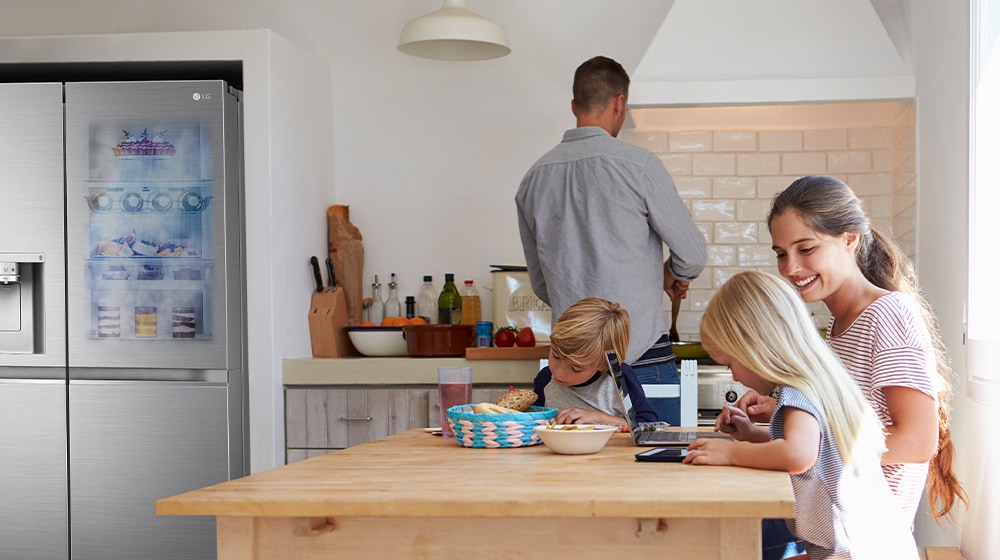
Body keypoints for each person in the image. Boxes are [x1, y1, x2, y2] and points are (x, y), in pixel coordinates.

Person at [734, 176, 967, 527]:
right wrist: (771, 429)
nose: (791, 268)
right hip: (833, 532)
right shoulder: (840, 327)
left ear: (849, 239)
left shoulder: (888, 314)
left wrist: (801, 442)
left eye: (806, 249)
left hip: (864, 540)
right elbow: (846, 433)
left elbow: (916, 441)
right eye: (782, 254)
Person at [515, 55, 707, 426]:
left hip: (569, 369)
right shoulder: (639, 165)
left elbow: (542, 285)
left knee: (563, 472)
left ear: (574, 106)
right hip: (641, 359)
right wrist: (668, 273)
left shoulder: (533, 178)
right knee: (652, 464)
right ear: (620, 102)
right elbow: (693, 256)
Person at [685, 271, 920, 560]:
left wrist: (731, 453)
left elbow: (798, 454)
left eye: (729, 362)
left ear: (756, 348)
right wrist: (752, 434)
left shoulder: (798, 390)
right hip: (874, 546)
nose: (732, 374)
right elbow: (819, 446)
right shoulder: (820, 379)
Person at [532, 297, 657, 427]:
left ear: (603, 365)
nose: (559, 372)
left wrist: (600, 418)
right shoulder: (545, 379)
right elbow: (532, 424)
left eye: (576, 368)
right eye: (556, 356)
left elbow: (650, 426)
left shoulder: (619, 378)